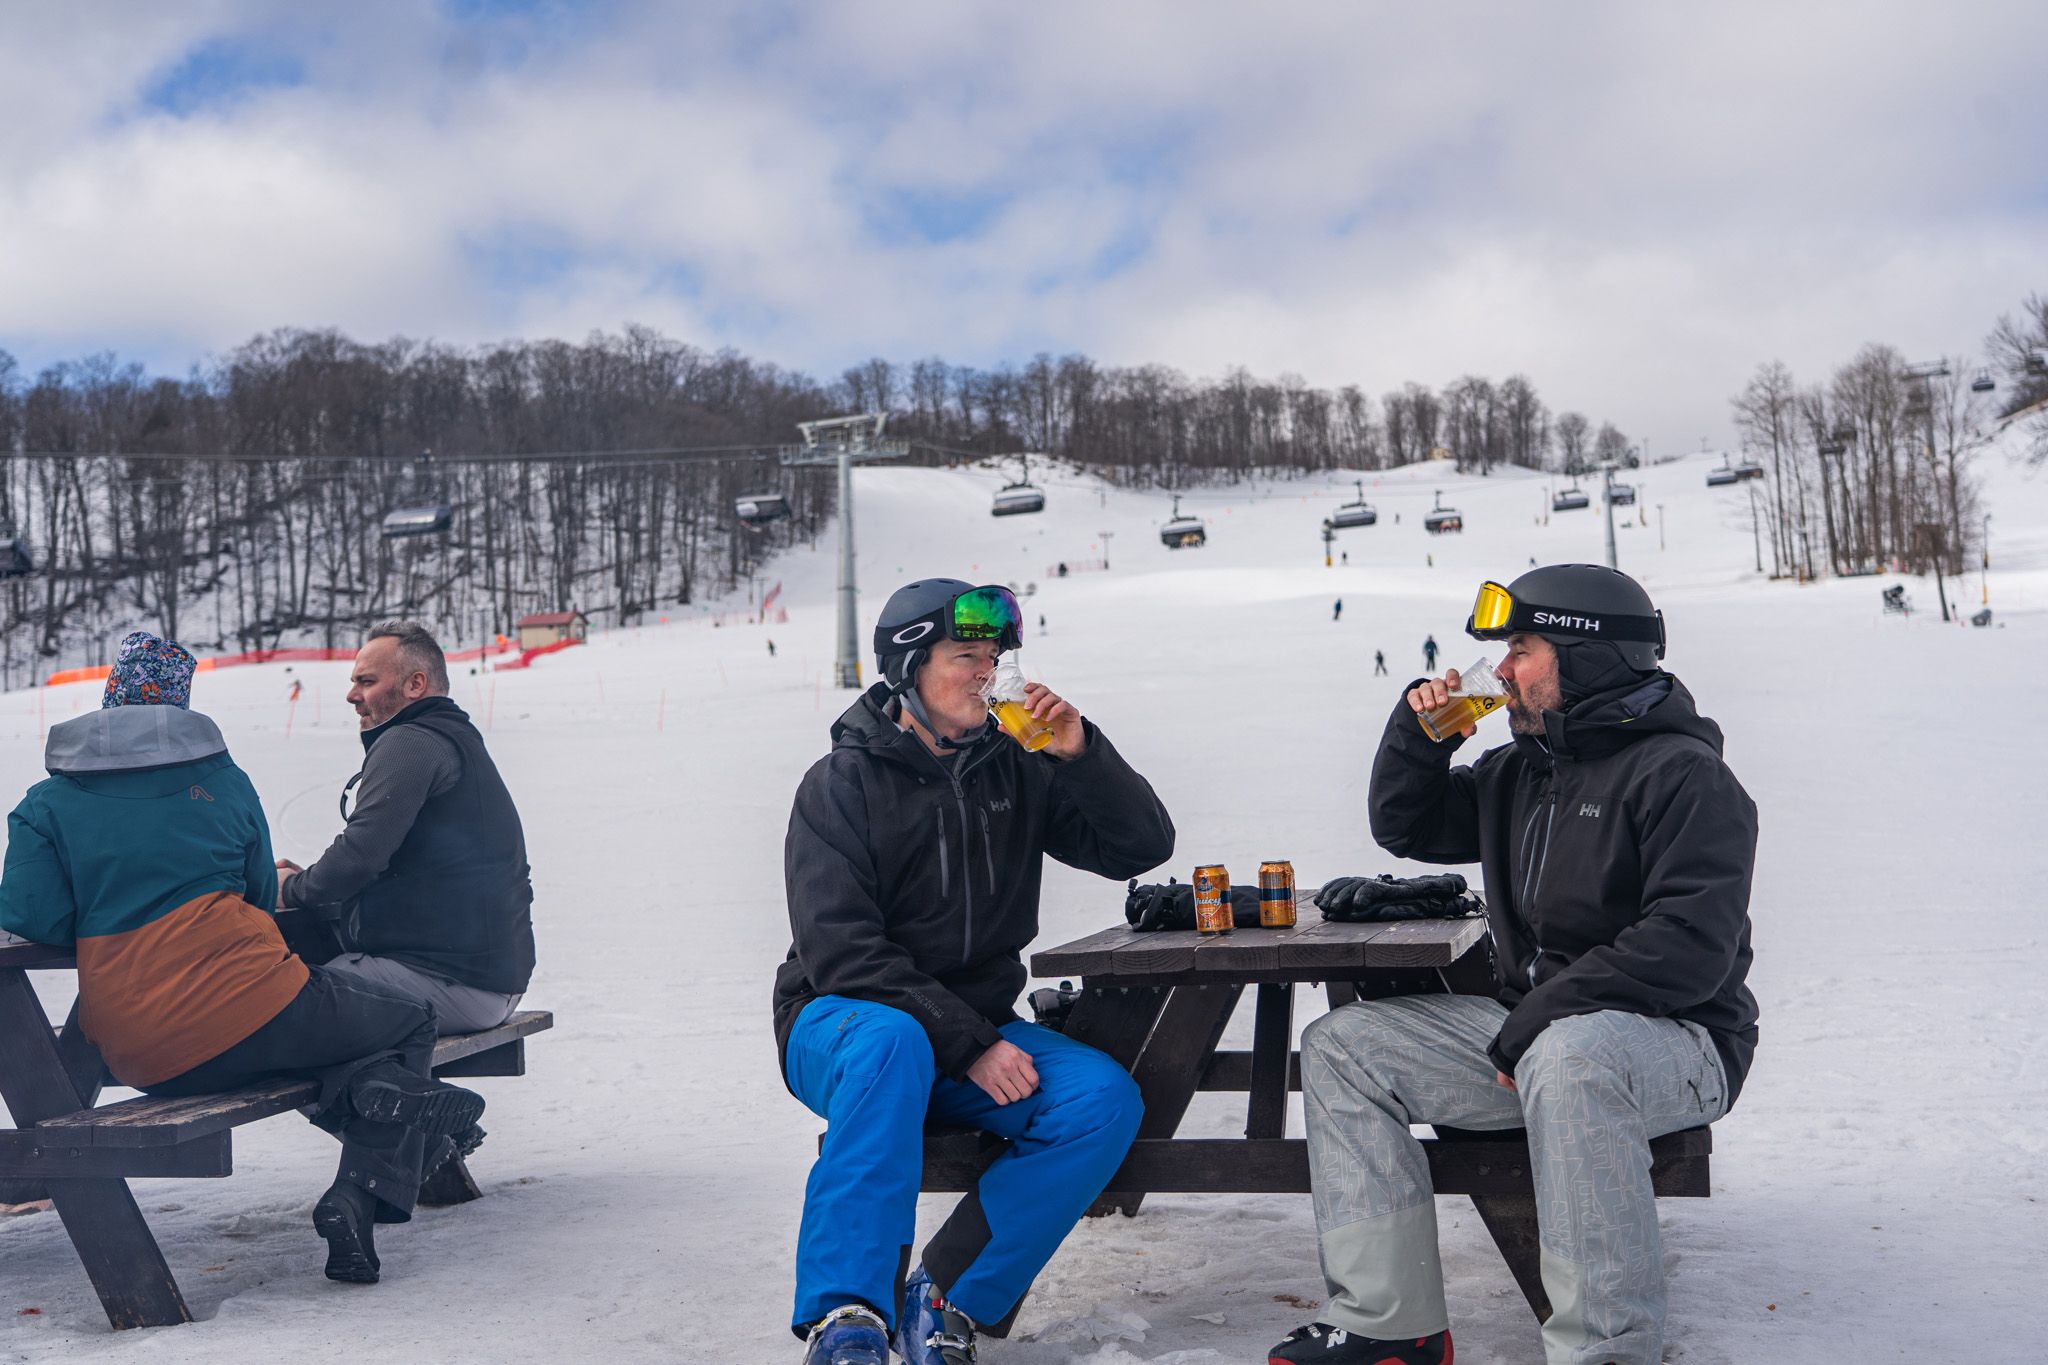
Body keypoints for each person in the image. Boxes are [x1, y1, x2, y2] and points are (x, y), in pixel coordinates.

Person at [1271, 565, 1758, 1365]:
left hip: (1680, 1043)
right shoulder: (1523, 772)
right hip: (1536, 1038)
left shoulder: (1685, 776)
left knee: (1571, 1056)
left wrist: (1538, 1017)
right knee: (1346, 1047)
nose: (1500, 668)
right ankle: (1389, 1322)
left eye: (1521, 648)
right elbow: (1407, 824)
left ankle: (1604, 1349)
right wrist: (1419, 737)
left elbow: (1688, 948)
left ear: (1587, 655)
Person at [0, 633, 486, 1284]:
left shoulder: (47, 802)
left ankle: (381, 1112)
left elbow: (30, 915)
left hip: (144, 1055)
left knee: (349, 1056)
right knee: (407, 1022)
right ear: (180, 707)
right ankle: (366, 1191)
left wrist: (105, 911)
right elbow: (260, 896)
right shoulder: (223, 782)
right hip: (261, 1009)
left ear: (111, 699)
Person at [775, 579, 1175, 1365]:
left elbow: (1140, 846)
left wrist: (1080, 753)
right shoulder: (840, 784)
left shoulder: (1016, 768)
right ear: (909, 668)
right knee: (892, 1041)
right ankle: (846, 1316)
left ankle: (944, 1293)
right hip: (839, 1022)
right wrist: (970, 1045)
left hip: (971, 1029)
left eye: (993, 655)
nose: (988, 671)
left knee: (1099, 1100)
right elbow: (842, 951)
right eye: (967, 655)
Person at [275, 621, 534, 1035]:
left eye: (366, 681)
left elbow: (359, 855)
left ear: (415, 684)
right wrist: (310, 882)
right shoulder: (449, 735)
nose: (352, 695)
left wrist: (289, 890)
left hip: (455, 981)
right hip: (479, 975)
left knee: (272, 1003)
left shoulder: (412, 741)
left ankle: (385, 1082)